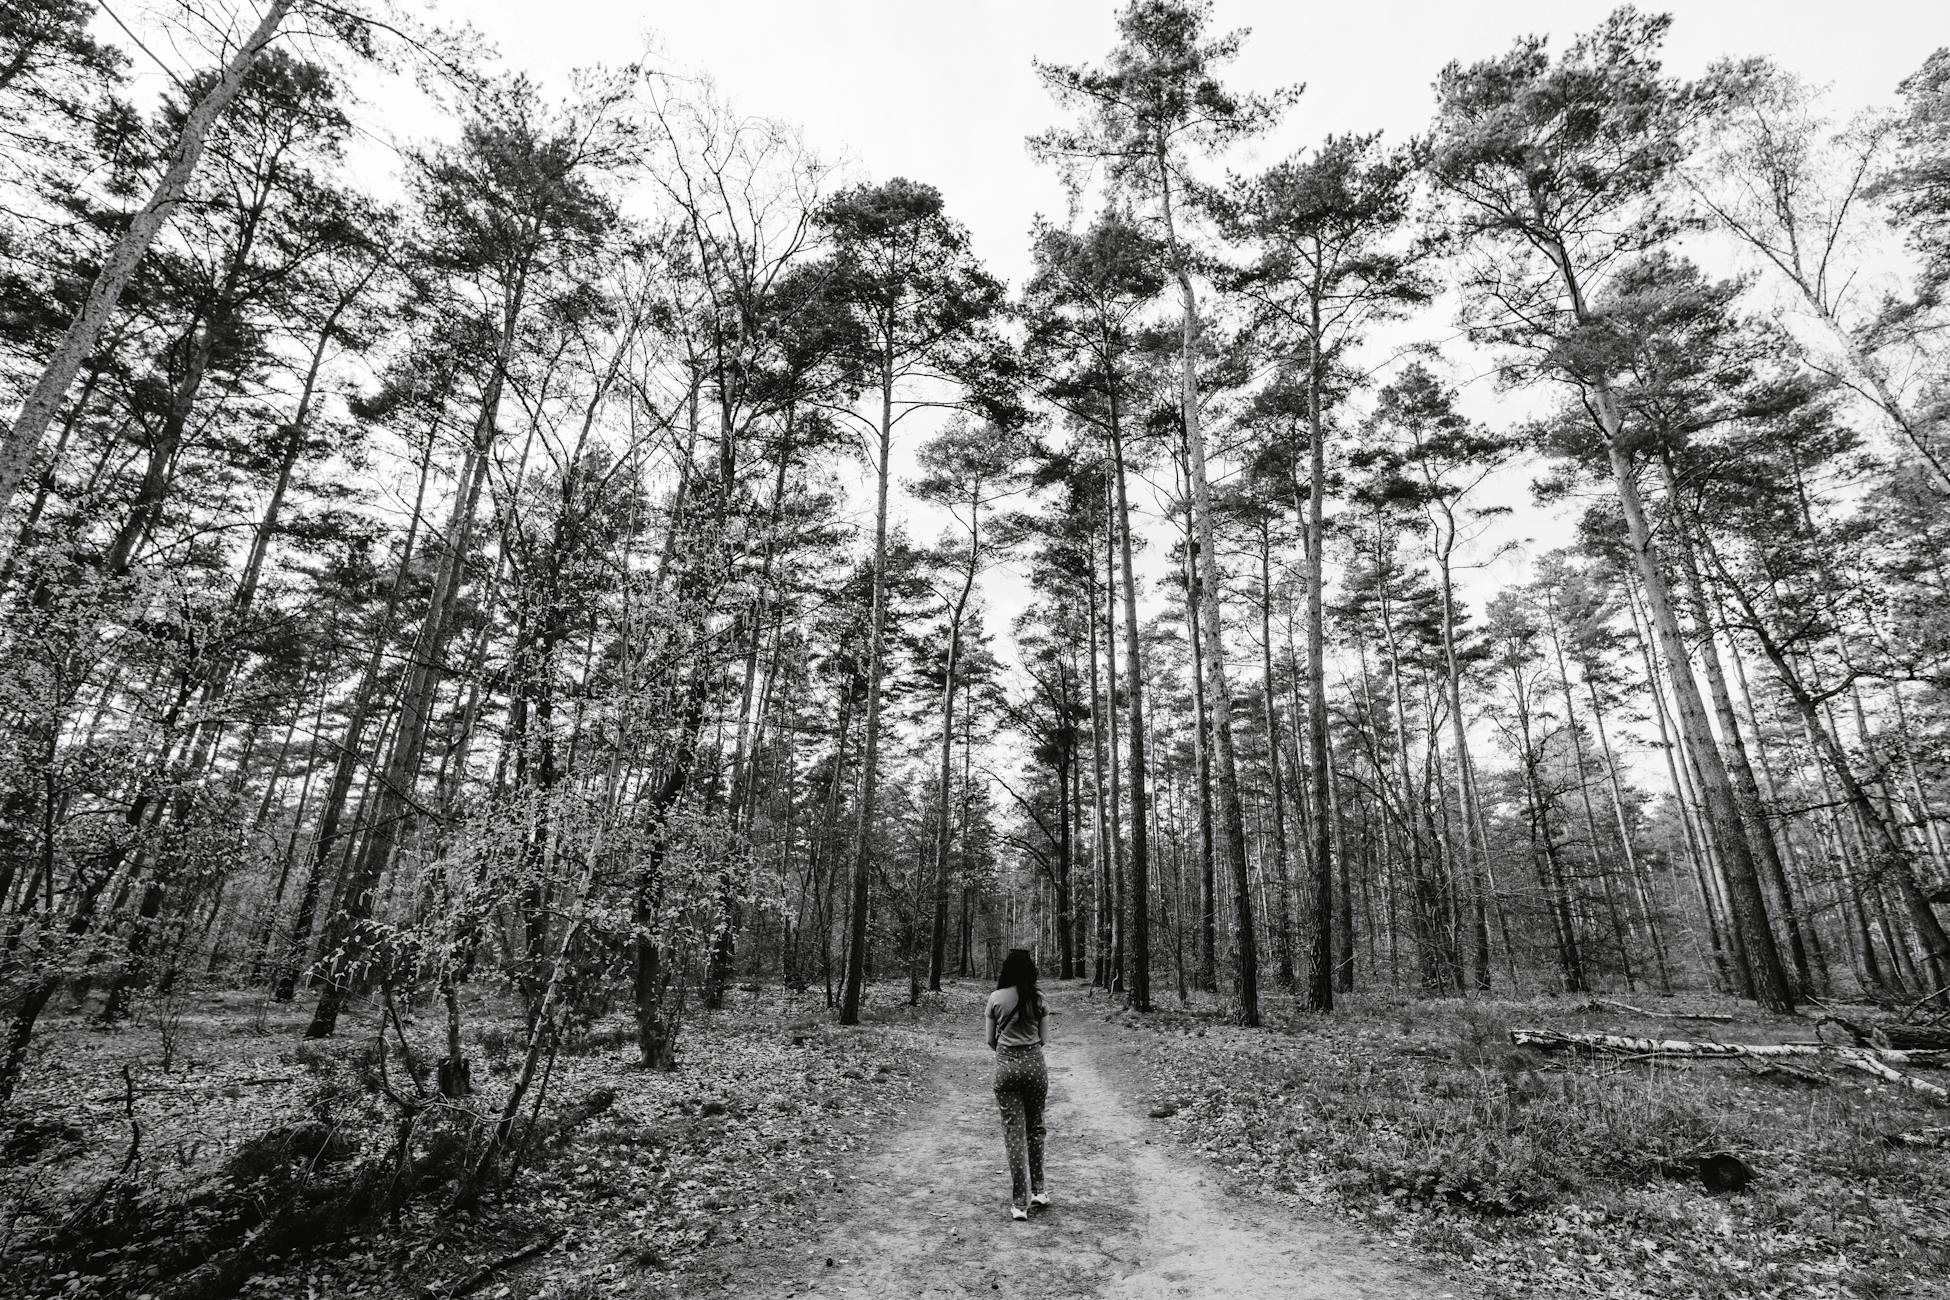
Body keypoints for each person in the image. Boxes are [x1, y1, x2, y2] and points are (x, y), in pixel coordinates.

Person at [986, 947, 1049, 1220]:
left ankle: (1019, 1203)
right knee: (1035, 1128)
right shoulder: (1039, 1000)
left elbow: (990, 1041)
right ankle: (1039, 1190)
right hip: (1035, 1067)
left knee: (1014, 1134)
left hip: (1006, 1069)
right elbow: (1043, 1039)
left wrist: (1009, 1052)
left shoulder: (995, 999)